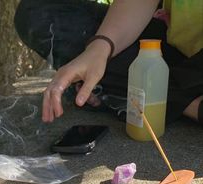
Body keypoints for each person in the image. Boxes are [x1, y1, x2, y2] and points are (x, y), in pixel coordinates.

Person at [14, 0, 203, 124]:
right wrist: (100, 48)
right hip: (174, 52)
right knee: (39, 13)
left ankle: (180, 103)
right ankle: (153, 96)